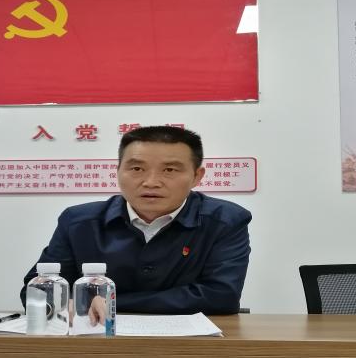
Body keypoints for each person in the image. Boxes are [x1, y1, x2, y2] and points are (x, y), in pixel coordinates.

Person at [20, 125, 251, 316]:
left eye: (170, 170)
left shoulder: (225, 221)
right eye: (137, 168)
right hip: (97, 340)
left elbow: (221, 296)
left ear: (196, 176)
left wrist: (108, 302)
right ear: (118, 170)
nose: (151, 182)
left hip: (192, 346)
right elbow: (37, 289)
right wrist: (63, 303)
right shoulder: (78, 221)